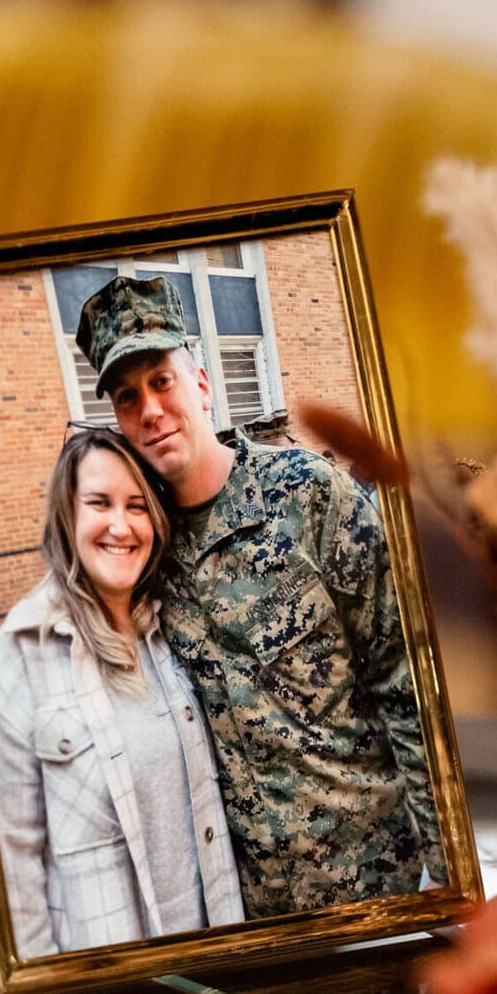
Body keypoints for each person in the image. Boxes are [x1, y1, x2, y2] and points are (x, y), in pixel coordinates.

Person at [75, 275, 446, 919]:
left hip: (374, 880)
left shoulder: (309, 494)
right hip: (250, 910)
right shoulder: (138, 550)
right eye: (128, 397)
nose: (151, 410)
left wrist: (448, 874)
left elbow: (404, 678)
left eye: (162, 380)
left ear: (202, 386)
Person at [0, 427, 243, 958]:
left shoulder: (172, 629)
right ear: (67, 515)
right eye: (99, 503)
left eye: (137, 506)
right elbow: (11, 867)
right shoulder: (20, 657)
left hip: (213, 958)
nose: (120, 525)